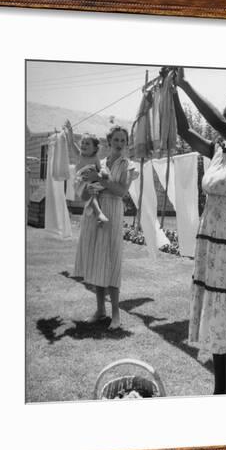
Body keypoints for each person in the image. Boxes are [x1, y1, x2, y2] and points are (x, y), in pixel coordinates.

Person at [173, 67, 226, 394]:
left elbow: (217, 122)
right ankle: (223, 390)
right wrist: (171, 92)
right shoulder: (220, 152)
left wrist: (185, 83)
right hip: (212, 245)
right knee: (219, 319)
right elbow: (184, 129)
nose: (225, 119)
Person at [74, 126, 137, 329]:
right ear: (109, 141)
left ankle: (116, 315)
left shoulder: (128, 165)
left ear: (126, 143)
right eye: (116, 139)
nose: (119, 143)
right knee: (97, 259)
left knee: (112, 260)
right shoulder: (98, 163)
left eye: (123, 140)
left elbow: (120, 191)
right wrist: (88, 185)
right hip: (95, 210)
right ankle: (101, 310)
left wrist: (99, 179)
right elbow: (84, 192)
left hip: (113, 211)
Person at [63, 121, 109, 225]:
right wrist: (70, 131)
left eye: (87, 143)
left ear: (95, 148)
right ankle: (98, 213)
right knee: (91, 194)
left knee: (96, 195)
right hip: (80, 183)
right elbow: (71, 143)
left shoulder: (95, 158)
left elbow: (100, 168)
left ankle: (97, 215)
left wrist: (103, 173)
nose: (83, 145)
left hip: (91, 183)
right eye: (82, 143)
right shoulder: (79, 155)